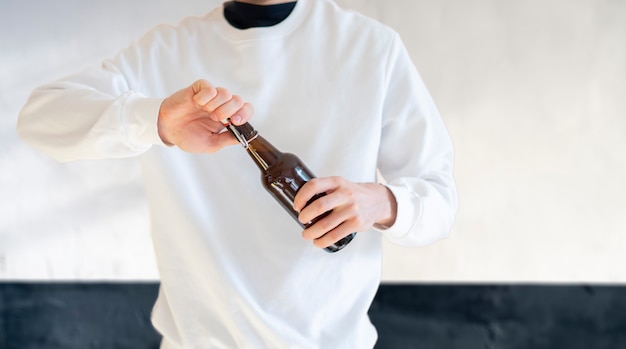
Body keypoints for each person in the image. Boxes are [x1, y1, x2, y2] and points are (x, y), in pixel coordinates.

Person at [17, 0, 458, 347]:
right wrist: (156, 121)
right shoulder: (163, 53)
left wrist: (380, 202)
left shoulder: (370, 47)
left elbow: (440, 201)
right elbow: (39, 118)